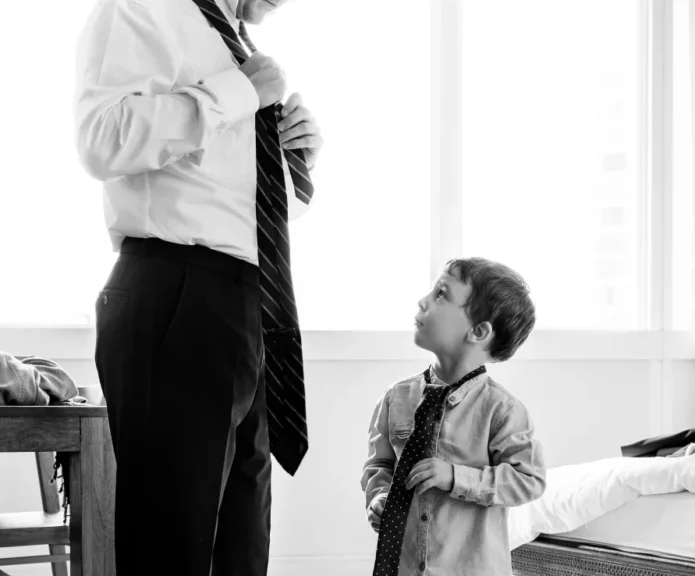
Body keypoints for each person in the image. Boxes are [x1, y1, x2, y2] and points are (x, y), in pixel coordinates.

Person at [74, 0, 323, 574]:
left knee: (241, 549)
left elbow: (231, 204)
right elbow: (101, 140)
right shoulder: (141, 10)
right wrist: (234, 93)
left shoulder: (234, 42)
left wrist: (297, 159)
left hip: (248, 305)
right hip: (176, 293)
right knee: (171, 546)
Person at [361, 257, 546, 576]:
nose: (423, 301)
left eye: (441, 294)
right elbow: (380, 465)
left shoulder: (502, 410)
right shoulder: (396, 398)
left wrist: (456, 477)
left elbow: (529, 480)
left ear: (478, 331)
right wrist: (378, 496)